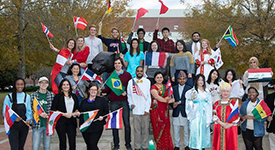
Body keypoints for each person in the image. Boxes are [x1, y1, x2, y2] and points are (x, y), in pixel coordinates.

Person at [101, 57, 132, 150]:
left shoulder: (127, 75)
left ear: (122, 64)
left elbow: (131, 87)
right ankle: (116, 144)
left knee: (126, 123)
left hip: (124, 101)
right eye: (115, 63)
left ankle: (128, 143)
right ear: (114, 65)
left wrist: (126, 91)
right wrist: (101, 90)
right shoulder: (111, 75)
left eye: (119, 63)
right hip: (114, 102)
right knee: (114, 124)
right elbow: (108, 89)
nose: (117, 65)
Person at [2, 78, 32, 150]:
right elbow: (5, 112)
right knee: (14, 147)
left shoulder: (27, 97)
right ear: (14, 85)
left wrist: (28, 120)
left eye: (22, 84)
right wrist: (14, 118)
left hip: (24, 125)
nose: (20, 86)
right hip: (12, 126)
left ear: (24, 85)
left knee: (21, 147)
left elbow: (29, 110)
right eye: (18, 84)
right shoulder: (8, 97)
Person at [51, 78, 80, 150]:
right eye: (64, 85)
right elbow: (54, 109)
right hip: (61, 121)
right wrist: (64, 114)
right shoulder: (57, 96)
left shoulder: (74, 96)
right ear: (61, 86)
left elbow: (76, 108)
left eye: (67, 84)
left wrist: (76, 112)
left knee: (72, 142)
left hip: (72, 122)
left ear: (70, 86)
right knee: (62, 142)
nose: (65, 86)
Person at [185, 74, 212, 150]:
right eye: (199, 80)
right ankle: (195, 147)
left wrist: (209, 115)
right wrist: (192, 102)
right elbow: (188, 103)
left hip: (204, 113)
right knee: (195, 131)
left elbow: (209, 103)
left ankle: (202, 147)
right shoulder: (192, 91)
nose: (200, 82)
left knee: (203, 131)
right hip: (195, 114)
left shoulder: (207, 91)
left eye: (202, 80)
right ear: (196, 81)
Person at [127, 67, 151, 150]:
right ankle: (137, 147)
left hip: (145, 109)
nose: (140, 72)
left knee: (145, 130)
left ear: (143, 72)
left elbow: (148, 96)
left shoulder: (147, 81)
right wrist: (131, 104)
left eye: (141, 71)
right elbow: (129, 95)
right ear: (135, 72)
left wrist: (147, 109)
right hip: (136, 109)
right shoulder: (131, 82)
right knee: (136, 130)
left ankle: (145, 147)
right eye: (138, 71)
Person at [79, 82, 109, 150]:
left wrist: (103, 117)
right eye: (92, 90)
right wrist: (78, 114)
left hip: (97, 126)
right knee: (89, 146)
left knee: (93, 145)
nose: (93, 91)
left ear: (97, 91)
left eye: (95, 90)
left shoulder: (102, 100)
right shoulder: (83, 102)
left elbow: (106, 112)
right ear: (89, 90)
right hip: (86, 127)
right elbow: (81, 113)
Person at [150, 72, 174, 150]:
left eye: (161, 77)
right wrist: (167, 100)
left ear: (163, 78)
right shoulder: (153, 87)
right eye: (158, 77)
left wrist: (170, 99)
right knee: (158, 128)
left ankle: (167, 147)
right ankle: (160, 147)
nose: (159, 79)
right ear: (155, 79)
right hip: (156, 111)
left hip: (165, 110)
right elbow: (157, 97)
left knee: (166, 128)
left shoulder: (165, 87)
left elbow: (167, 96)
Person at [212, 82, 239, 150]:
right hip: (219, 127)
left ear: (229, 92)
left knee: (230, 145)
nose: (225, 93)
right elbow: (214, 116)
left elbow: (236, 117)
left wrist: (229, 125)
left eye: (227, 91)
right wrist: (223, 124)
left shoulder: (233, 103)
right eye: (223, 91)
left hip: (231, 128)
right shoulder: (216, 104)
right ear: (221, 92)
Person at [170, 70, 192, 150]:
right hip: (176, 112)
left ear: (186, 79)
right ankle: (177, 145)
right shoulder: (173, 88)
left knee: (186, 131)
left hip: (185, 113)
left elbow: (190, 101)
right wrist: (172, 105)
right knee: (176, 131)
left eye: (183, 78)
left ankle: (186, 145)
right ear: (177, 79)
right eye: (180, 78)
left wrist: (179, 102)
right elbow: (170, 99)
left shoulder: (189, 89)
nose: (182, 80)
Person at [31, 77, 54, 150]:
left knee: (46, 147)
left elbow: (54, 109)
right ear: (39, 84)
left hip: (47, 125)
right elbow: (30, 109)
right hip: (37, 125)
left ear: (48, 84)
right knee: (35, 147)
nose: (44, 84)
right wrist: (39, 113)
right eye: (42, 82)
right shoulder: (33, 95)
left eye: (46, 82)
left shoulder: (51, 95)